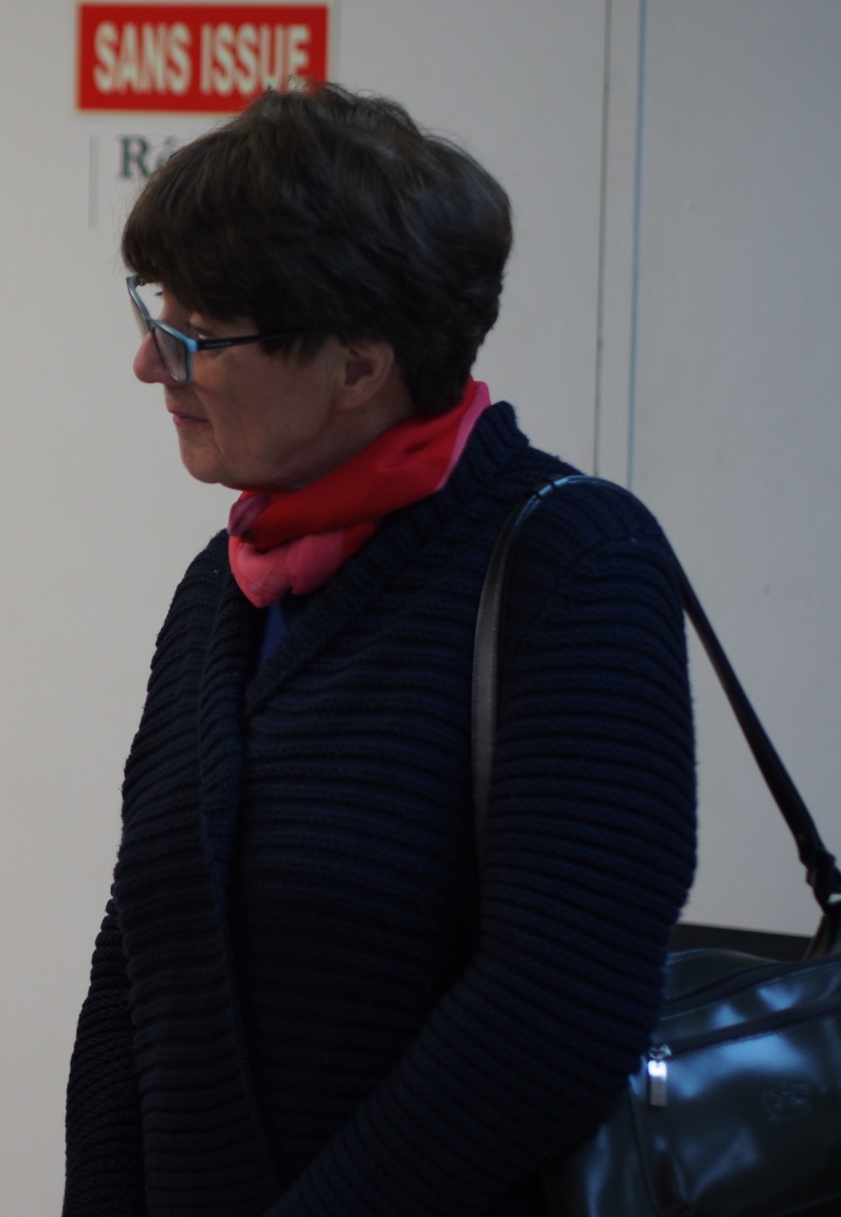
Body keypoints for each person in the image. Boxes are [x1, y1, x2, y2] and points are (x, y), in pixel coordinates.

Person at [63, 87, 696, 1216]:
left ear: (358, 367)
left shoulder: (575, 566)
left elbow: (556, 1008)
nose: (151, 364)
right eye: (158, 312)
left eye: (197, 334)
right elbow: (136, 970)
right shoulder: (224, 588)